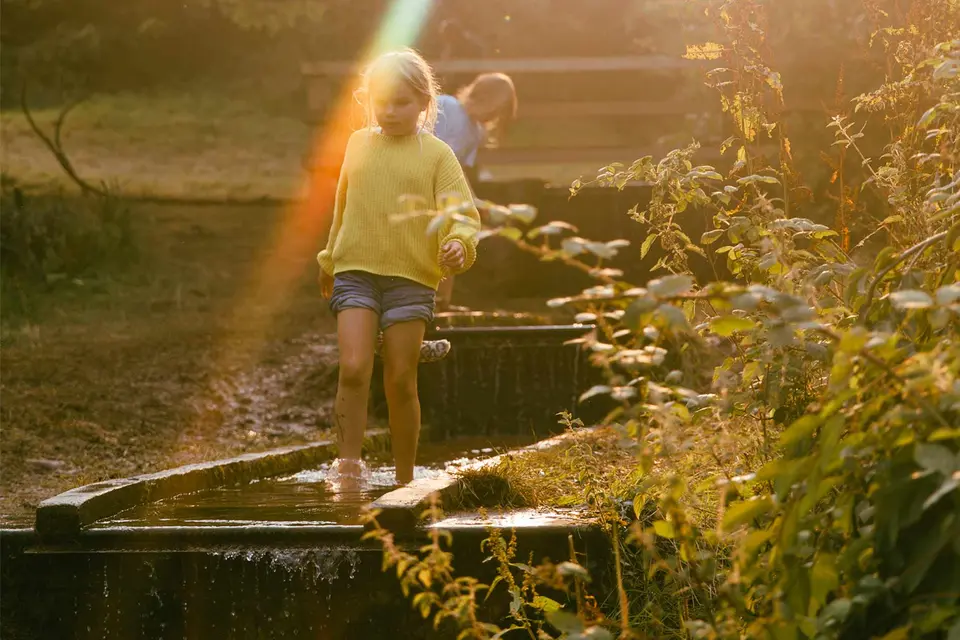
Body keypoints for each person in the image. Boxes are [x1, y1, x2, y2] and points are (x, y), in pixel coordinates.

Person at [317, 48, 480, 486]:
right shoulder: (357, 144)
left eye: (401, 103)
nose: (389, 112)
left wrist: (459, 245)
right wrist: (329, 259)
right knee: (353, 368)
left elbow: (461, 214)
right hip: (355, 272)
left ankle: (405, 480)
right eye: (381, 102)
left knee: (401, 379)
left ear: (425, 103)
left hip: (411, 278)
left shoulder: (438, 155)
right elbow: (343, 207)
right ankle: (348, 470)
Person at [432, 72, 518, 311]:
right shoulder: (447, 107)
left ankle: (442, 303)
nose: (490, 117)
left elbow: (459, 171)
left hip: (444, 190)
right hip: (420, 179)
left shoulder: (475, 132)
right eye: (491, 108)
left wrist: (476, 203)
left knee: (451, 237)